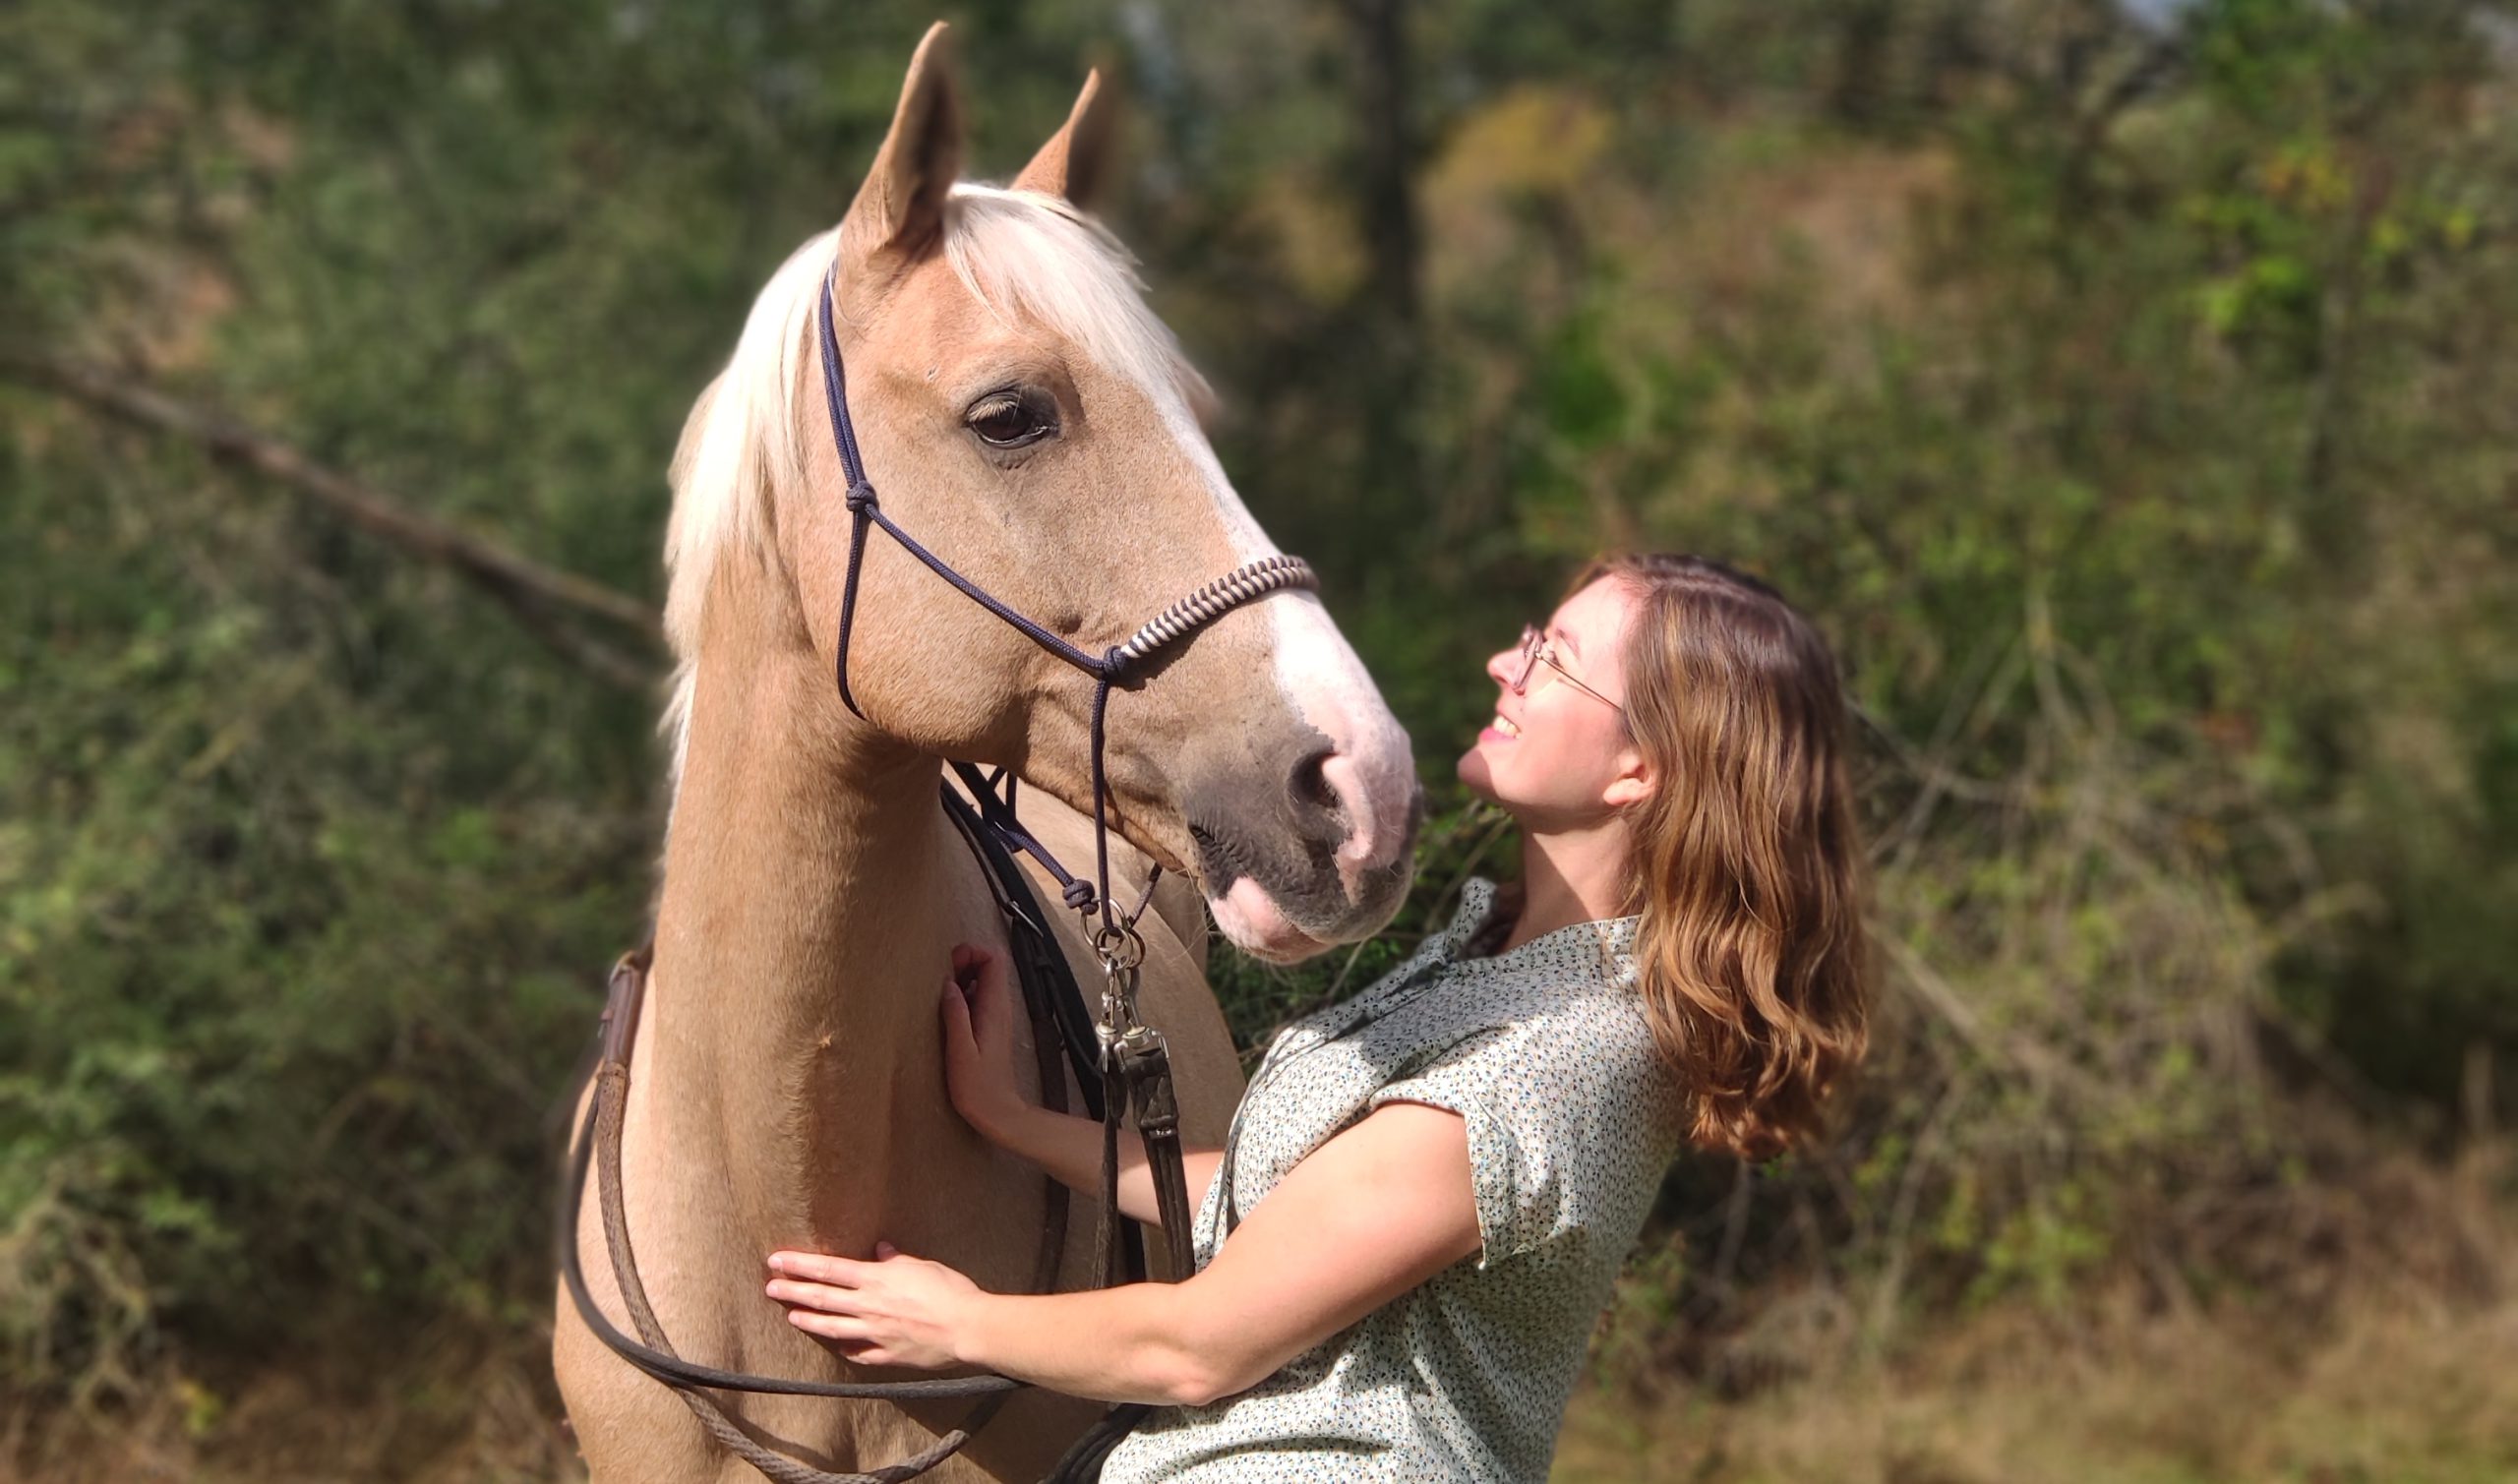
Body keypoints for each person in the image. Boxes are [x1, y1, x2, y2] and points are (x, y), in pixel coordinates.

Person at [764, 553, 1873, 1482]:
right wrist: (1012, 1119)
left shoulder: (1563, 1054)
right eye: (1530, 638)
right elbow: (1284, 1210)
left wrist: (953, 1323)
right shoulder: (1495, 962)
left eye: (1553, 662)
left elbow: (1200, 1344)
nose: (1505, 663)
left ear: (1640, 767)